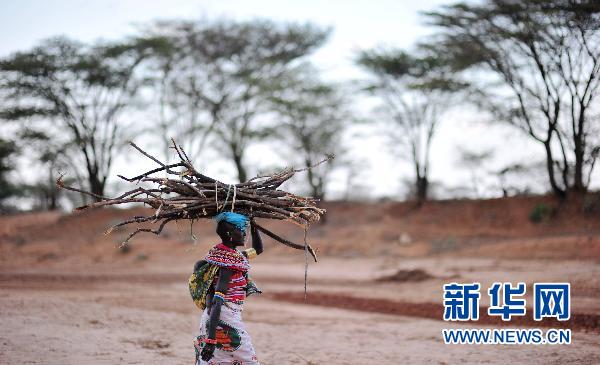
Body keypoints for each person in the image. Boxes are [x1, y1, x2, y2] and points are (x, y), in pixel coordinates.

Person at [189, 212, 263, 365]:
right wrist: (211, 340)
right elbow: (217, 301)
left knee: (218, 361)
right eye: (241, 229)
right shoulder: (228, 264)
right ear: (230, 234)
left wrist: (254, 225)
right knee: (248, 360)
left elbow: (258, 249)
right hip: (223, 318)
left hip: (216, 318)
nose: (244, 233)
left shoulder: (233, 256)